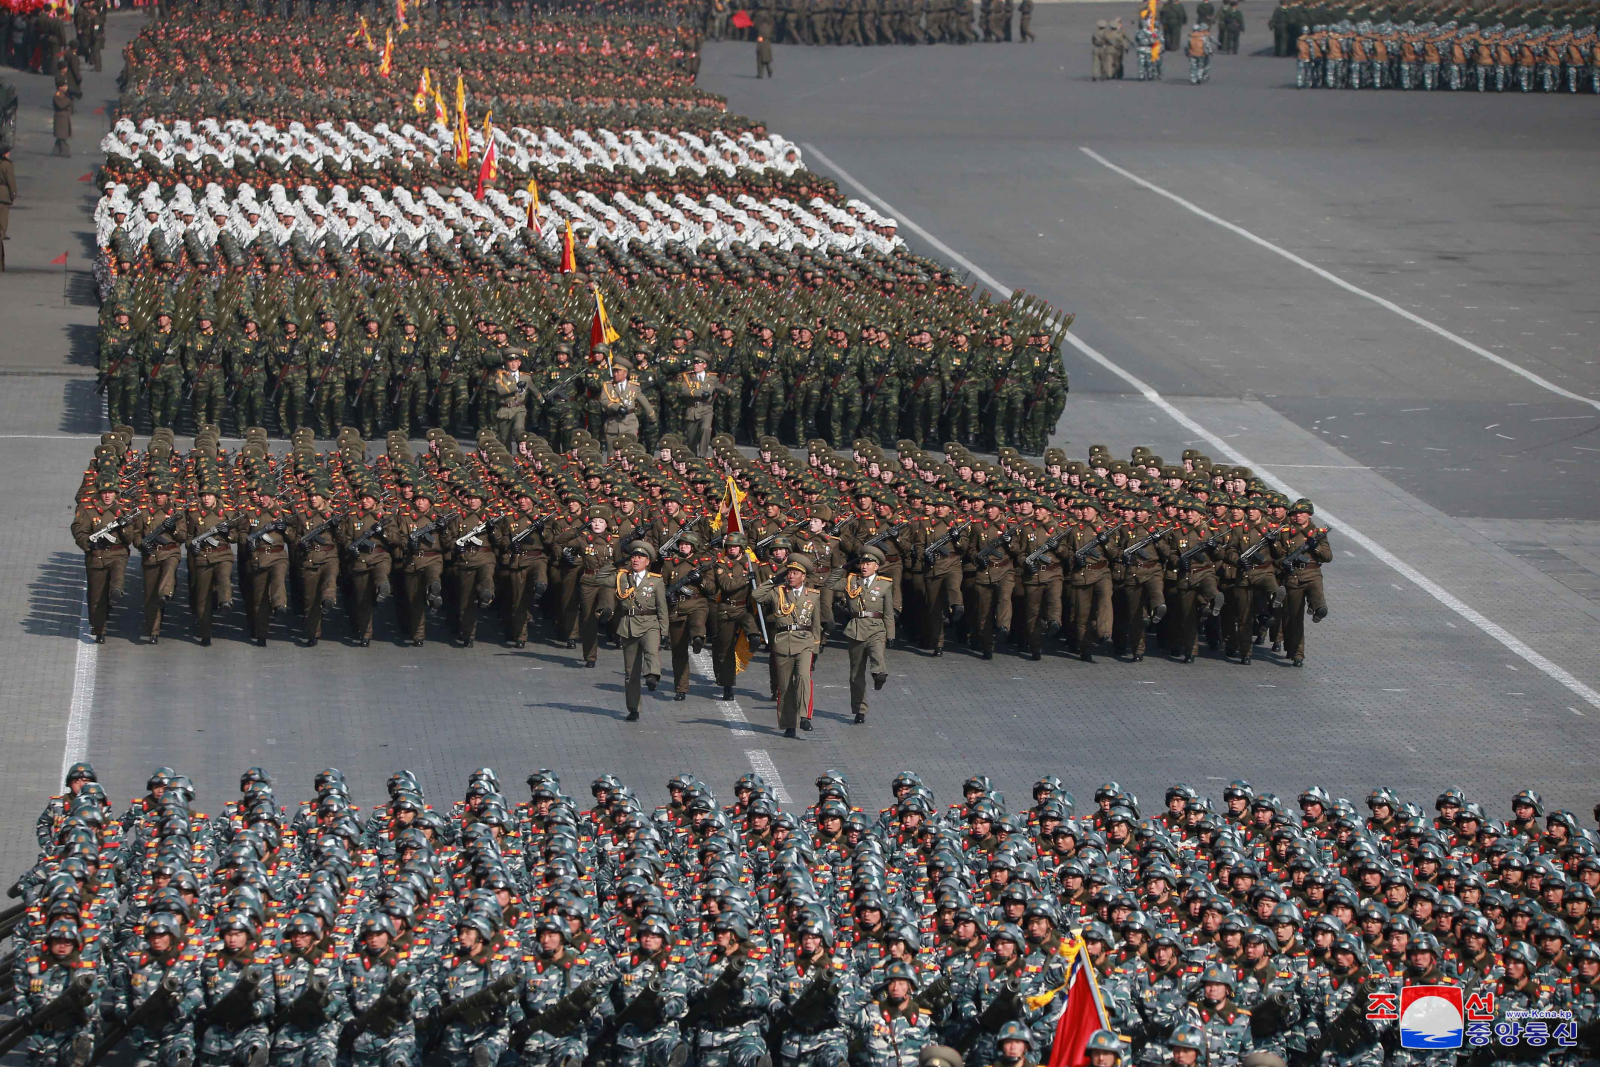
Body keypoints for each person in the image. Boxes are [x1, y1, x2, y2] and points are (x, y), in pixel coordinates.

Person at [752, 554, 824, 737]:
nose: (791, 576)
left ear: (803, 576)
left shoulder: (813, 596)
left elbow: (816, 625)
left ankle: (805, 716)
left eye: (795, 573)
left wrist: (815, 648)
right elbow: (756, 595)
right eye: (789, 572)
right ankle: (789, 724)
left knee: (803, 677)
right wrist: (773, 580)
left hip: (805, 642)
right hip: (783, 641)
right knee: (785, 687)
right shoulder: (778, 592)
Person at [826, 544, 892, 725]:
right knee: (856, 674)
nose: (864, 566)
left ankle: (879, 675)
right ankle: (860, 710)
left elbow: (888, 612)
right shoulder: (852, 581)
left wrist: (891, 634)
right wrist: (845, 567)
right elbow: (830, 583)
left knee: (877, 656)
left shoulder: (885, 584)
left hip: (877, 628)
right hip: (855, 629)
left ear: (876, 566)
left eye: (869, 563)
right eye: (862, 562)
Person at [71, 476, 132, 643]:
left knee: (118, 575)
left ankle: (116, 591)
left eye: (111, 492)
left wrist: (124, 527)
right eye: (104, 493)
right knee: (96, 595)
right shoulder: (87, 509)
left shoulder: (122, 510)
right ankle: (99, 629)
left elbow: (130, 538)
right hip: (96, 556)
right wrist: (89, 544)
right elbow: (78, 530)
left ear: (116, 494)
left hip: (118, 553)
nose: (107, 496)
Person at [615, 541, 669, 721]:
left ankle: (652, 676)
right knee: (630, 672)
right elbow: (601, 577)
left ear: (648, 561)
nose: (635, 560)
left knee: (651, 651)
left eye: (640, 557)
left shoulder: (656, 580)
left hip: (650, 623)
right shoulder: (623, 577)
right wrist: (617, 564)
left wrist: (665, 630)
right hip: (629, 625)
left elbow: (662, 607)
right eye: (633, 557)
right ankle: (633, 708)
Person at [0, 145, 14, 273]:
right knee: (2, 229)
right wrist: (13, 195)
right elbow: (11, 182)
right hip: (3, 196)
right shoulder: (7, 165)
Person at [52, 81, 72, 157]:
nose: (66, 87)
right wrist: (69, 100)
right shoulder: (57, 95)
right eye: (64, 85)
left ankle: (56, 152)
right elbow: (61, 105)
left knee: (60, 137)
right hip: (60, 119)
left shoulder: (64, 94)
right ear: (60, 87)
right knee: (62, 137)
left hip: (64, 118)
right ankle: (66, 152)